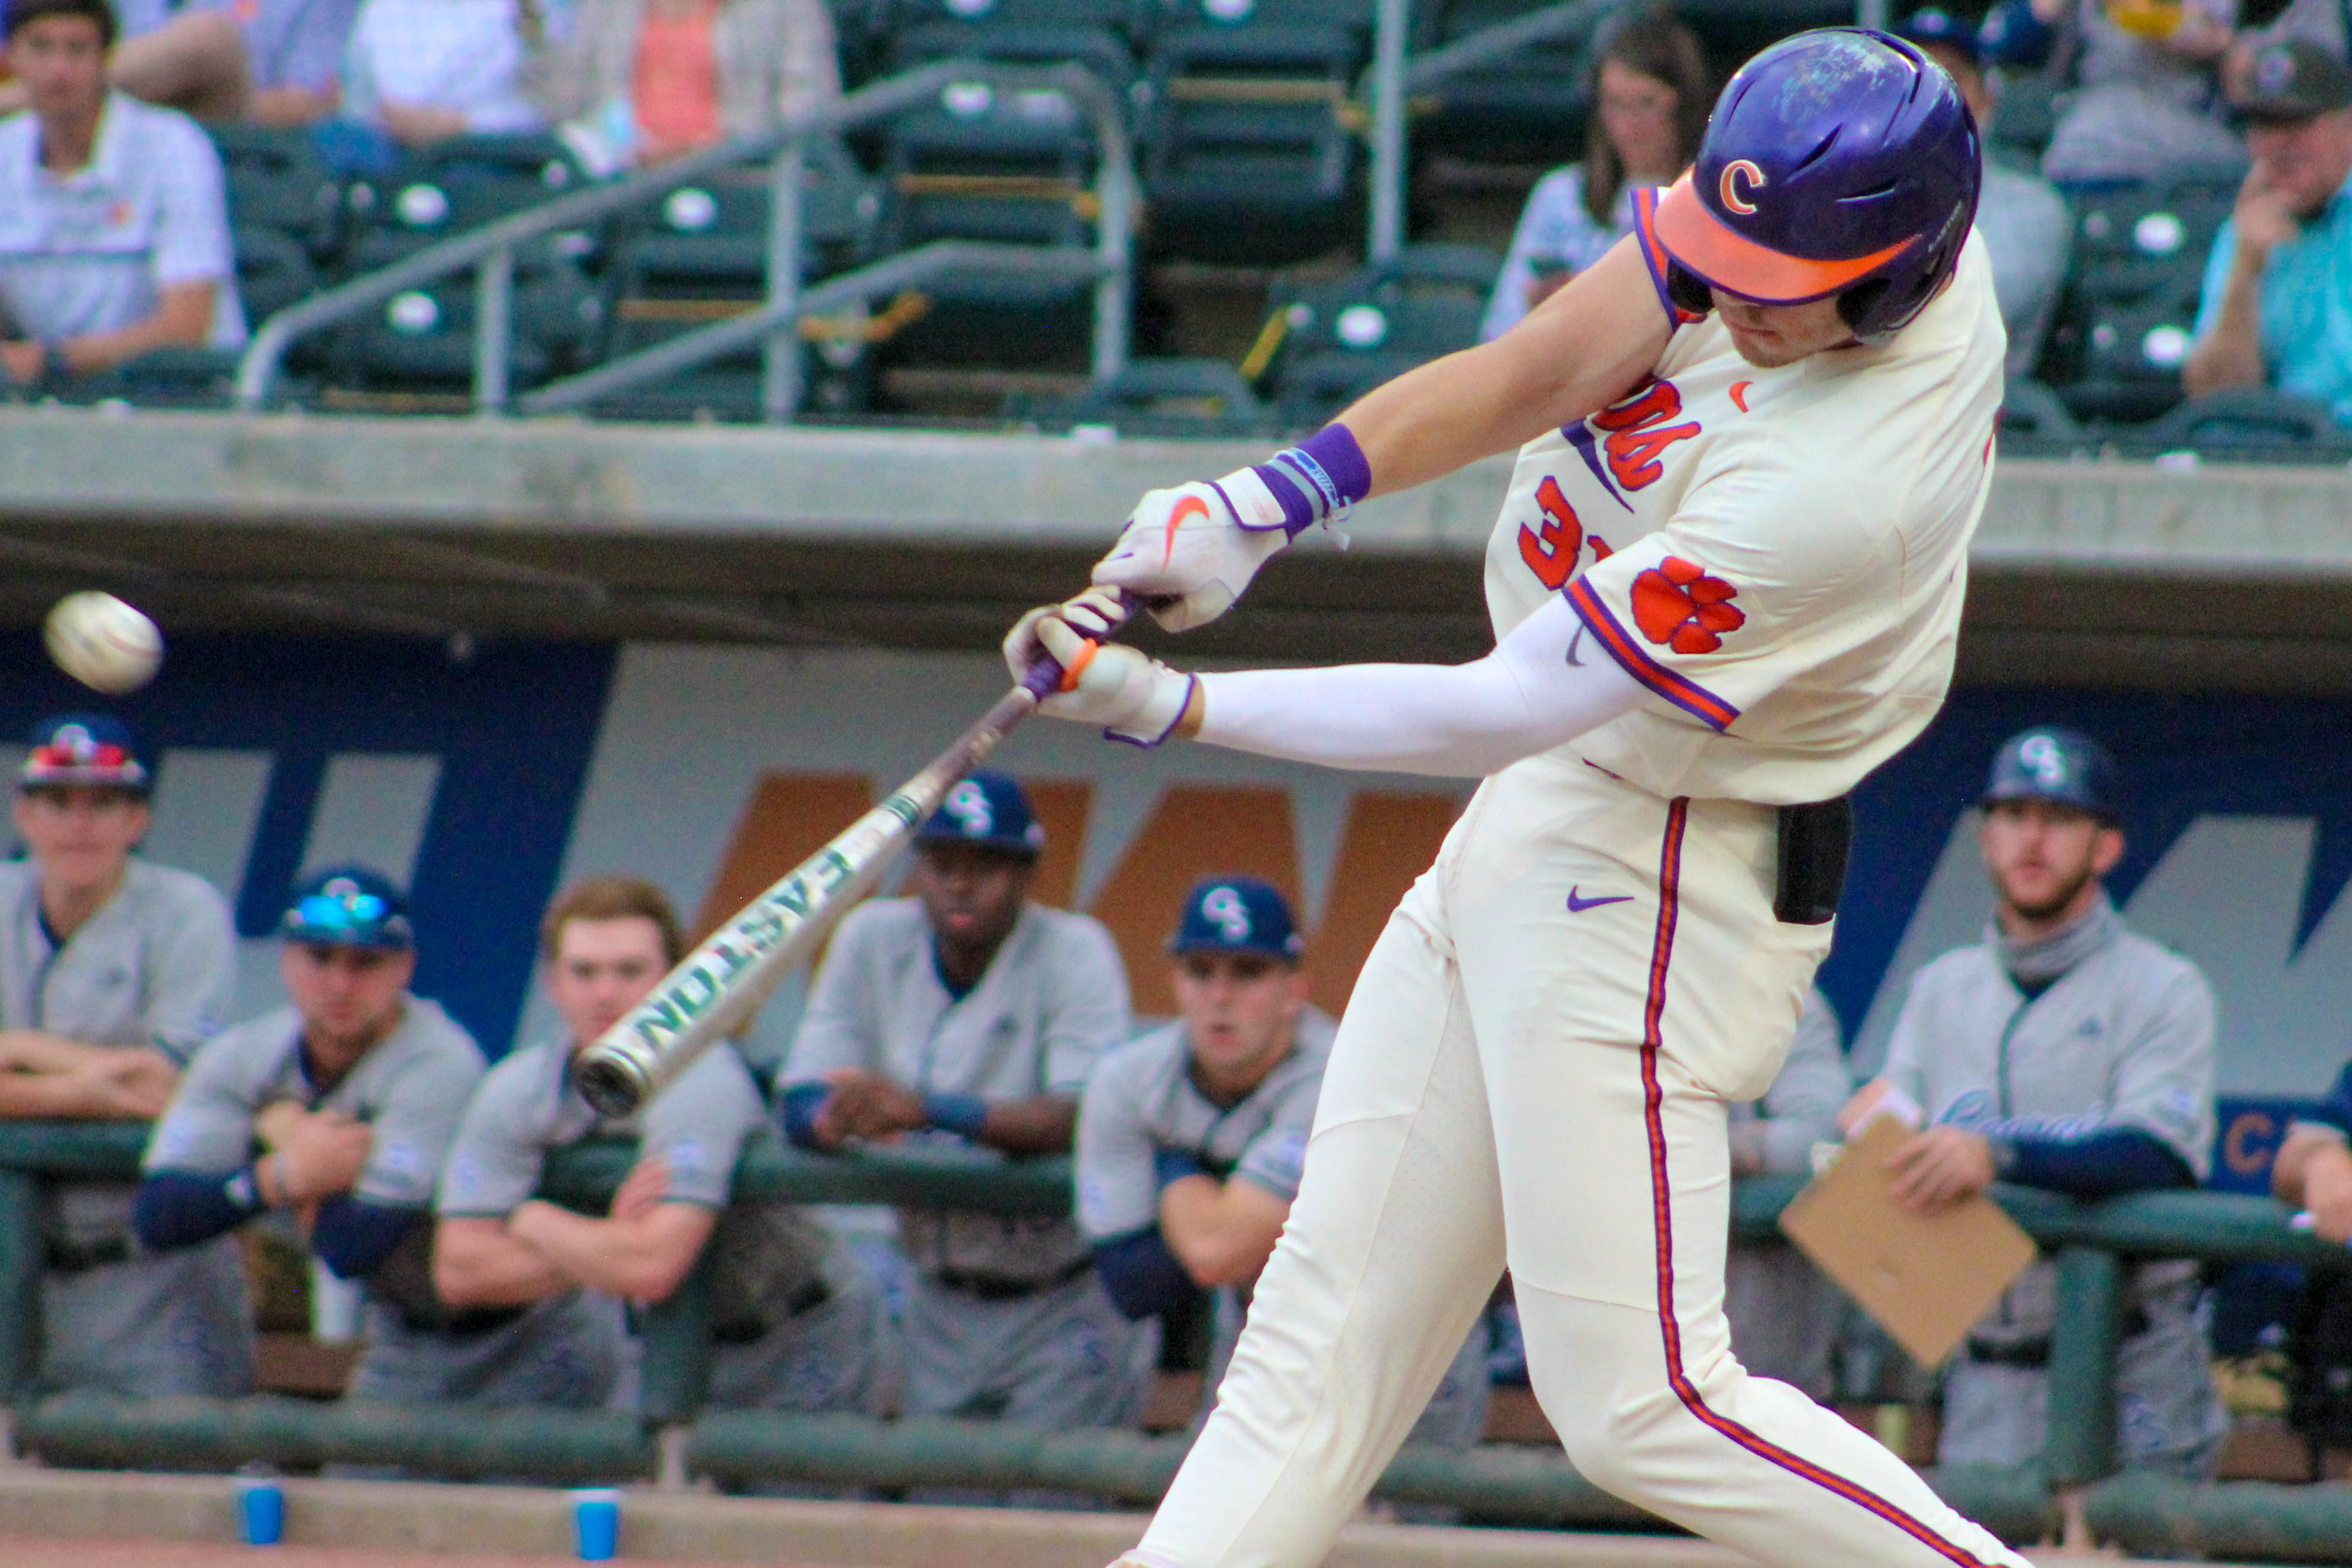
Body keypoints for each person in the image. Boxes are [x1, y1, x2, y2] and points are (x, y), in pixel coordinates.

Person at [1001, 26, 2031, 1568]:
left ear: (1890, 277)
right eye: (1715, 251)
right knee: (1311, 1350)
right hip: (1553, 820)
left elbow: (1499, 706)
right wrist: (1266, 501)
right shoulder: (1782, 217)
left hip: (1660, 862)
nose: (1721, 291)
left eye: (1770, 281)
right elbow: (1540, 364)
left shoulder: (1840, 490)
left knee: (1640, 1401)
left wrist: (1171, 704)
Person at [1841, 727, 2224, 1479]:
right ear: (1986, 837)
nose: (2034, 838)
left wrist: (1997, 1154)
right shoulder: (1940, 988)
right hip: (1986, 1368)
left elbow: (2161, 1153)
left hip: (2132, 1365)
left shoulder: (2164, 987)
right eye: (2014, 814)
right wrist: (1871, 1132)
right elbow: (1890, 1125)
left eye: (2060, 816)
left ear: (2105, 846)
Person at [433, 875, 892, 1416]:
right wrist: (610, 1243)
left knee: (798, 1497)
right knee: (641, 1487)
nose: (605, 993)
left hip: (799, 1329)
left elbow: (653, 1266)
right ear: (554, 984)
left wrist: (536, 1221)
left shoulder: (703, 1075)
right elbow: (459, 1271)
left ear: (672, 979)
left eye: (630, 971)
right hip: (664, 1340)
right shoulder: (519, 1089)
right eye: (584, 972)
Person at [780, 771, 1152, 1433]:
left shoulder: (1075, 951)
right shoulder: (870, 938)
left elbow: (1082, 1115)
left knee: (1050, 1512)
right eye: (943, 862)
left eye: (986, 865)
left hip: (1059, 1293)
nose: (960, 882)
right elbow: (800, 1096)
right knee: (932, 1511)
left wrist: (921, 1111)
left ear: (1027, 873)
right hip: (932, 1297)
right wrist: (837, 1118)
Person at [1078, 876, 1490, 1446]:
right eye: (1201, 971)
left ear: (1294, 989)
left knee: (1406, 1530)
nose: (1220, 997)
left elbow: (1213, 1254)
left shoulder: (1346, 1069)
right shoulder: (1129, 1079)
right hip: (1263, 1336)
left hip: (1396, 1340)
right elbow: (1133, 1282)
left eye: (1248, 972)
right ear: (1174, 982)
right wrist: (1218, 1204)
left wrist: (1176, 1167)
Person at [133, 867, 493, 1409]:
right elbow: (159, 1216)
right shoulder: (246, 1053)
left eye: (365, 962)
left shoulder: (440, 1061)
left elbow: (353, 1245)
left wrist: (288, 1136)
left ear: (404, 968)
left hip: (517, 1326)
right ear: (286, 961)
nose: (340, 984)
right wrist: (282, 1174)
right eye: (319, 958)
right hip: (405, 1333)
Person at [0, 714, 243, 1398]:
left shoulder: (186, 911)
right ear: (25, 814)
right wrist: (78, 1082)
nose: (80, 824)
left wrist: (17, 1061)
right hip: (12, 1265)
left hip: (152, 1269)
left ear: (136, 819)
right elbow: (122, 1081)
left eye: (103, 802)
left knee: (176, 1484)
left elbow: (162, 1084)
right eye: (59, 801)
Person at [0, 0, 246, 390]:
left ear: (106, 59)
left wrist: (57, 361)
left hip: (179, 395)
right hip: (45, 400)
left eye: (77, 50)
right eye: (40, 48)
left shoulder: (175, 146)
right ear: (11, 57)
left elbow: (188, 324)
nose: (58, 71)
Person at [1481, 8, 1708, 341]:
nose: (1628, 127)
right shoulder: (1559, 196)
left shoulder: (1709, 201)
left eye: (1646, 104)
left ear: (1683, 106)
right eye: (1615, 104)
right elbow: (1498, 332)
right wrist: (1543, 313)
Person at [1898, 8, 2073, 381]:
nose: (1931, 103)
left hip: (1989, 414)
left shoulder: (2033, 206)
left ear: (1986, 100)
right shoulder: (1846, 199)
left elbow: (1976, 317)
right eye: (1910, 85)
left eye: (1951, 82)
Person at [2183, 39, 2352, 424]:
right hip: (2294, 453)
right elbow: (2219, 399)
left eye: (2297, 123)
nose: (2278, 143)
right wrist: (2244, 269)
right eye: (2264, 124)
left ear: (2348, 127)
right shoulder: (2245, 231)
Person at [1724, 987, 1849, 1402]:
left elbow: (1824, 1143)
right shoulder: (1600, 990)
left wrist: (1711, 1148)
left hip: (1757, 1353)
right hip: (1611, 1340)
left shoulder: (1778, 997)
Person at [538, 0, 838, 173]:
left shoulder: (787, 7)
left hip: (735, 175)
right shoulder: (609, 6)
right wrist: (536, 42)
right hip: (623, 175)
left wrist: (704, 149)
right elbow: (567, 103)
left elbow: (809, 113)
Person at [341, 0, 553, 150]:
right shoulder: (380, 10)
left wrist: (461, 124)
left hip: (486, 153)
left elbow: (546, 110)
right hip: (387, 151)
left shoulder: (521, 12)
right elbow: (359, 102)